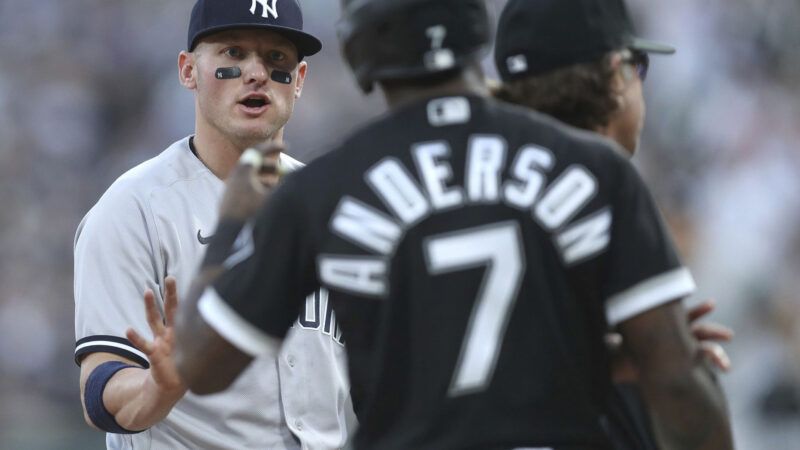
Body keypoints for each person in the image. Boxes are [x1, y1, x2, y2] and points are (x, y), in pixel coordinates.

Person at [173, 0, 734, 448]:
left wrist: (232, 224)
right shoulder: (593, 167)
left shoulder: (320, 191)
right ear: (475, 33)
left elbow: (200, 366)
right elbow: (679, 385)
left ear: (360, 48)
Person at [73, 0, 353, 448]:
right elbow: (100, 391)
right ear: (188, 71)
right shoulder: (135, 208)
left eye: (276, 58)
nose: (257, 73)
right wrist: (156, 388)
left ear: (298, 81)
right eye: (233, 54)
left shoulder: (335, 206)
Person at [492, 0, 734, 448]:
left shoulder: (472, 189)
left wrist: (614, 352)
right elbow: (678, 385)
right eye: (639, 66)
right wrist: (664, 353)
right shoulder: (603, 179)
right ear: (617, 72)